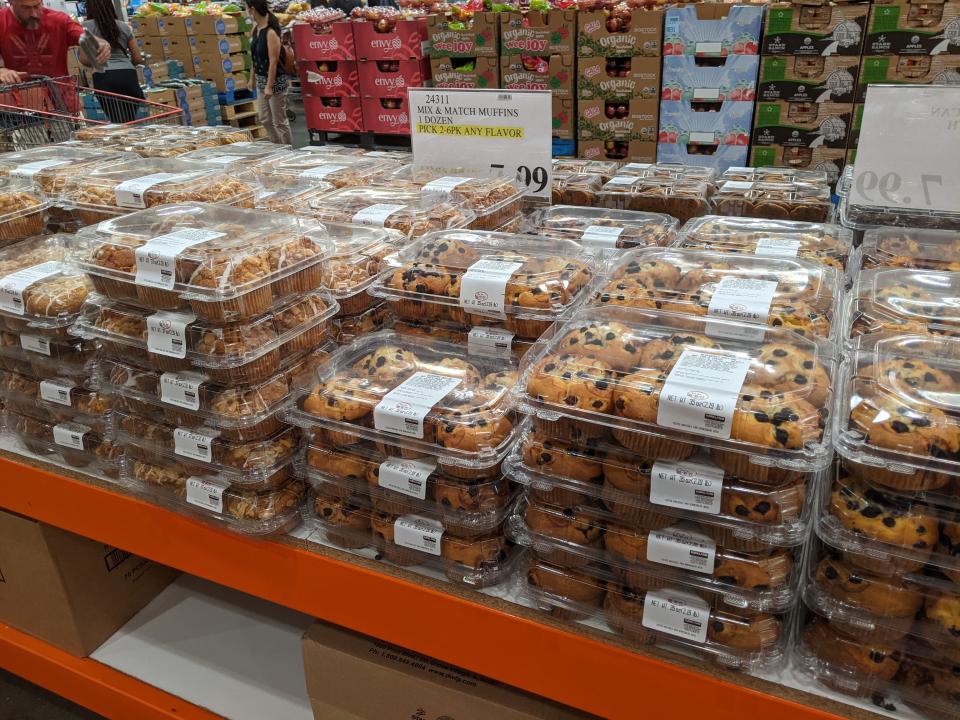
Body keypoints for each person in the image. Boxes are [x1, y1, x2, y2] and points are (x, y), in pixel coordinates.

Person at [0, 0, 110, 84]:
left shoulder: (59, 20)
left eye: (37, 6)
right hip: (19, 102)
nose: (33, 13)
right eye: (25, 8)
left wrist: (99, 44)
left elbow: (81, 35)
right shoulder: (2, 21)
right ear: (11, 3)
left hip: (61, 101)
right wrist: (2, 71)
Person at [82, 0, 145, 123]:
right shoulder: (124, 26)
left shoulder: (87, 26)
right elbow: (137, 58)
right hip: (128, 76)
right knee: (130, 120)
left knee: (116, 121)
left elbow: (85, 59)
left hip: (104, 77)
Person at [245, 0, 292, 146]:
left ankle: (288, 149)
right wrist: (251, 78)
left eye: (247, 8)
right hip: (260, 80)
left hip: (275, 81)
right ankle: (278, 146)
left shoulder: (271, 32)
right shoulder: (255, 29)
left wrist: (269, 86)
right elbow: (254, 57)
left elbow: (273, 61)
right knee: (264, 118)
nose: (247, 11)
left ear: (252, 9)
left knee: (279, 121)